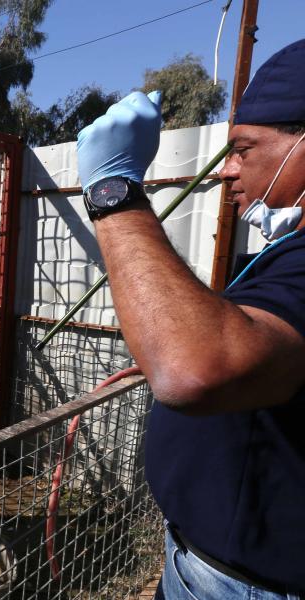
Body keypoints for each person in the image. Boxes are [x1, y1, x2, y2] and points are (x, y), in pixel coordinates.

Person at [75, 39, 305, 599]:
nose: (227, 170)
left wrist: (112, 189)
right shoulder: (289, 250)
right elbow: (257, 347)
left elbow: (191, 369)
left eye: (245, 148)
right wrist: (154, 362)